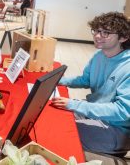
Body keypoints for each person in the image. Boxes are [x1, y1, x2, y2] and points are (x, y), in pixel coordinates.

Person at [52, 12, 130, 155]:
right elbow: (86, 80)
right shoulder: (100, 55)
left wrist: (75, 105)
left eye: (106, 33)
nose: (98, 36)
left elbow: (122, 111)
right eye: (96, 30)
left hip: (115, 129)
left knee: (58, 132)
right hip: (94, 113)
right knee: (52, 115)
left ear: (123, 37)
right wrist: (57, 81)